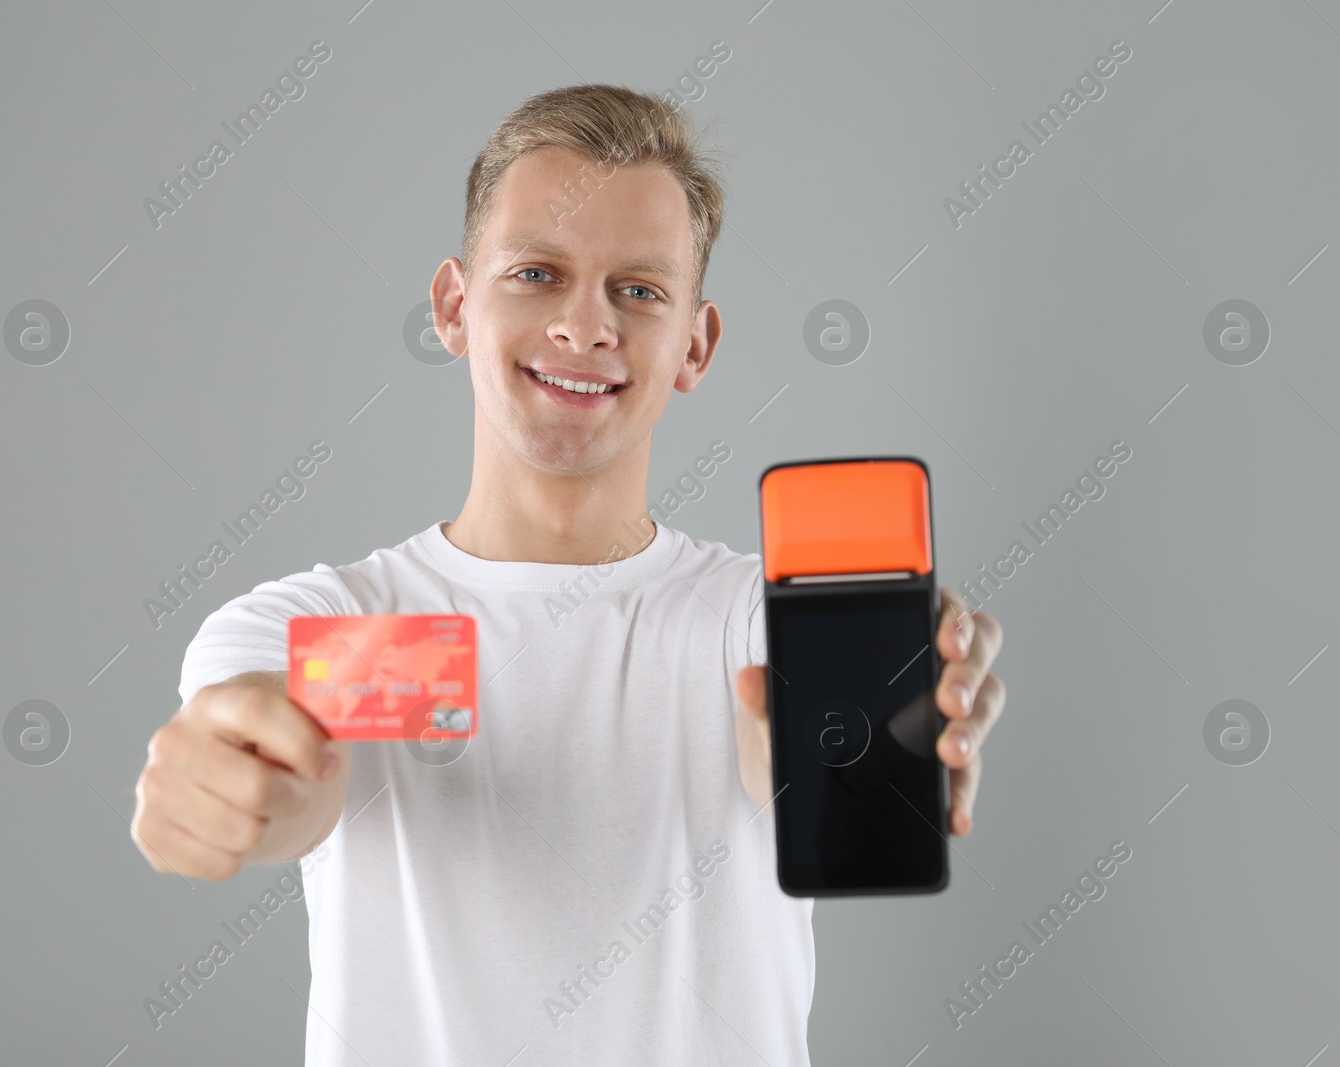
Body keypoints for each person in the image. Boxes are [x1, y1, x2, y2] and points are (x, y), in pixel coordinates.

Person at [131, 83, 1006, 1065]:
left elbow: (805, 764)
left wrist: (882, 731)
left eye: (638, 289)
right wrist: (230, 780)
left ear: (696, 344)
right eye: (538, 273)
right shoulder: (354, 628)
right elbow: (293, 760)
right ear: (455, 305)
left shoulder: (753, 624)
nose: (585, 326)